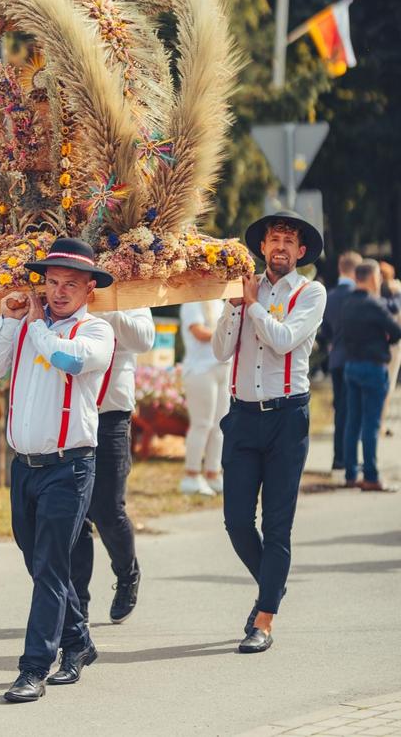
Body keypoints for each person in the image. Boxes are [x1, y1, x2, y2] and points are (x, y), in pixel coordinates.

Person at [0, 238, 114, 703]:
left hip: (70, 467)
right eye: (51, 282)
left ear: (89, 288)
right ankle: (78, 642)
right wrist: (7, 322)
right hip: (25, 468)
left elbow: (66, 359)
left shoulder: (95, 332)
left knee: (51, 566)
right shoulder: (26, 327)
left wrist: (34, 326)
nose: (58, 291)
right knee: (40, 564)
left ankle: (34, 667)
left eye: (70, 284)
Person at [212, 210, 326, 654]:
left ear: (300, 252)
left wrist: (254, 305)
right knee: (237, 521)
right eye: (273, 238)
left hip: (286, 418)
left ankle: (264, 618)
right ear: (262, 247)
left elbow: (281, 340)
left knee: (277, 526)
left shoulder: (311, 293)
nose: (279, 245)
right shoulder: (241, 291)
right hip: (241, 416)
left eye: (289, 240)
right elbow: (222, 350)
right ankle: (273, 585)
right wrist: (235, 309)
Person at [71, 309, 154, 625]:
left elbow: (144, 340)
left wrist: (110, 306)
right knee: (75, 515)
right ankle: (78, 603)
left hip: (112, 414)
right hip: (72, 411)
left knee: (107, 509)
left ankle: (127, 571)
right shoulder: (73, 287)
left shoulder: (130, 290)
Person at [342, 259, 401, 492]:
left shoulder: (347, 303)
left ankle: (350, 474)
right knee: (371, 424)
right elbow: (396, 331)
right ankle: (371, 476)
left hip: (351, 365)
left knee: (352, 422)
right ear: (373, 277)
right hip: (373, 367)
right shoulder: (375, 304)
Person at [179, 299, 231, 496]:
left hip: (222, 367)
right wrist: (227, 337)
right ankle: (191, 476)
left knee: (219, 425)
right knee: (202, 424)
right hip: (200, 370)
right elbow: (199, 332)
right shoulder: (191, 302)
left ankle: (213, 473)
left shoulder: (219, 301)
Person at [322, 251, 362, 471]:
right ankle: (351, 461)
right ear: (357, 272)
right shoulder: (360, 295)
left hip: (336, 359)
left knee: (341, 411)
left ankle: (338, 460)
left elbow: (325, 330)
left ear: (340, 269)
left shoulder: (330, 295)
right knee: (356, 412)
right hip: (356, 359)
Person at [379, 261, 401, 437]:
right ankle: (381, 423)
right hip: (393, 347)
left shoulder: (372, 293)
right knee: (387, 386)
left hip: (374, 344)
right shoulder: (396, 295)